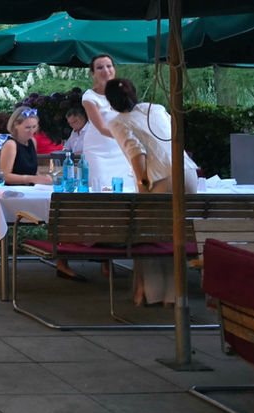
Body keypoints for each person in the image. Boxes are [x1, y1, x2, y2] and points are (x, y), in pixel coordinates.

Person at [106, 78, 199, 306]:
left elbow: (136, 152)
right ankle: (174, 294)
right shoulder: (155, 109)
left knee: (149, 235)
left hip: (161, 179)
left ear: (110, 103)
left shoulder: (118, 122)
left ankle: (153, 293)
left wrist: (142, 182)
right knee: (175, 234)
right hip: (187, 172)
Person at [81, 54, 133, 191]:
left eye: (109, 66)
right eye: (100, 67)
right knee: (101, 189)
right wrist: (129, 137)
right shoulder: (89, 97)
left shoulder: (123, 93)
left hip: (121, 149)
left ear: (114, 69)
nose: (105, 70)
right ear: (93, 73)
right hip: (98, 151)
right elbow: (102, 128)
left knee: (126, 188)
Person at [0, 107, 53, 186]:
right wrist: (31, 179)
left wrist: (42, 178)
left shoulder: (32, 142)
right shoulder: (11, 145)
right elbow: (4, 176)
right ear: (16, 125)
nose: (31, 131)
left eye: (34, 127)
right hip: (11, 193)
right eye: (27, 127)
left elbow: (32, 171)